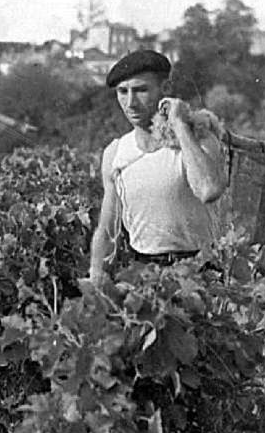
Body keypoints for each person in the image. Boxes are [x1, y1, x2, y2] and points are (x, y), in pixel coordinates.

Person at [88, 50, 228, 284]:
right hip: (143, 274)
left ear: (165, 89)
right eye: (123, 92)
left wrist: (178, 123)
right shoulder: (116, 152)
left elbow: (209, 189)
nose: (130, 102)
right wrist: (96, 274)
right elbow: (108, 229)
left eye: (141, 90)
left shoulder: (199, 141)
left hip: (199, 272)